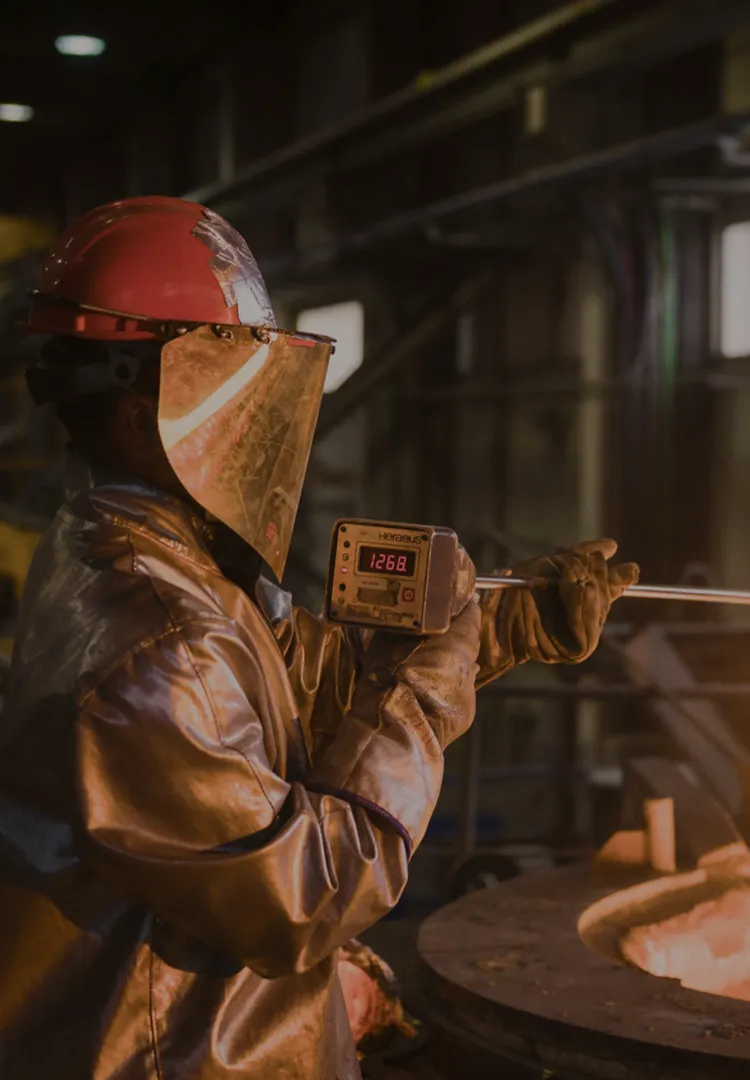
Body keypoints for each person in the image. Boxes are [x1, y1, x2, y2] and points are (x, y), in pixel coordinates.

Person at [0, 196, 638, 1080]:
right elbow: (305, 895)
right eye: (234, 368)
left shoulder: (133, 552)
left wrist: (503, 627)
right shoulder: (156, 635)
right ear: (153, 394)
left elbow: (286, 688)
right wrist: (420, 696)